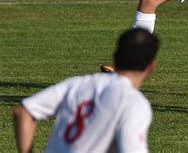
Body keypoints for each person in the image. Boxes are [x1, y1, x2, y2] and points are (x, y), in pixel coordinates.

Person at [13, 28, 160, 153]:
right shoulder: (134, 103)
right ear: (152, 66)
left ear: (115, 57)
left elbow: (23, 111)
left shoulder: (77, 84)